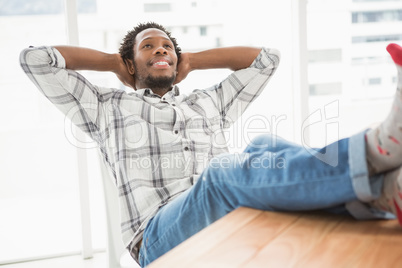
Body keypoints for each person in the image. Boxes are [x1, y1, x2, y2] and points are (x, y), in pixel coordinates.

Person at [20, 21, 402, 267]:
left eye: (167, 46)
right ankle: (376, 148)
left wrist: (192, 62)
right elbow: (35, 60)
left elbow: (266, 61)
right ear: (131, 65)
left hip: (229, 212)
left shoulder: (205, 102)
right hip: (158, 236)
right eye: (148, 47)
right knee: (221, 174)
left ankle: (383, 193)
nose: (160, 50)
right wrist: (114, 64)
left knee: (265, 145)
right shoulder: (106, 107)